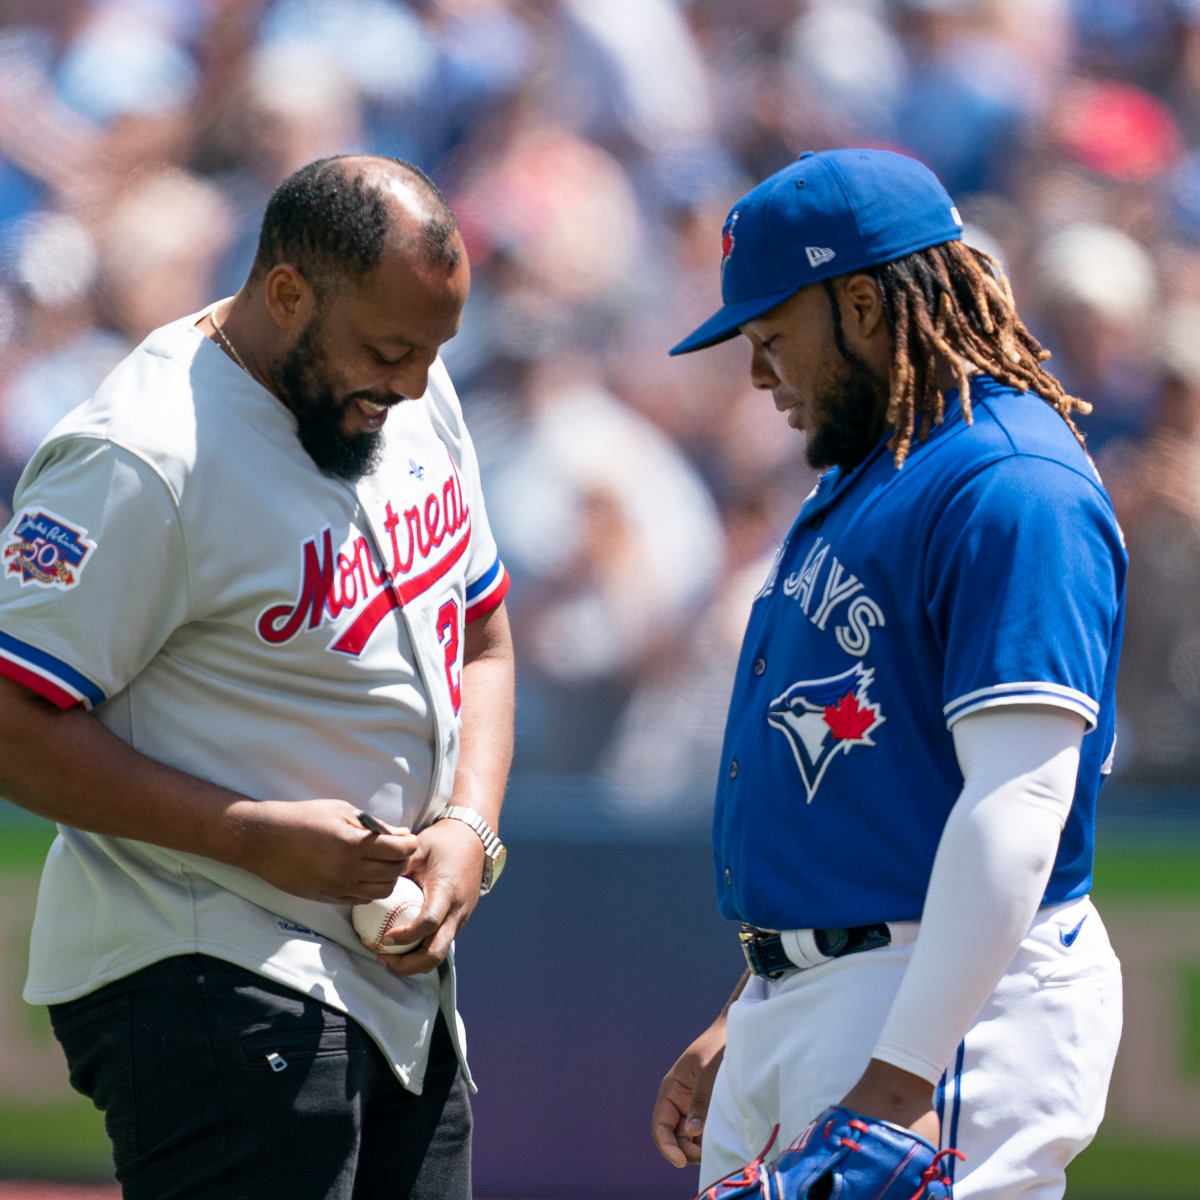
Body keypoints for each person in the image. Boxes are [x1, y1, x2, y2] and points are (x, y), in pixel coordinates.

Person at [0, 155, 513, 1200]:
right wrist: (245, 833)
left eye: (433, 349)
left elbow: (485, 633)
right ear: (287, 294)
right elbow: (11, 721)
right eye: (391, 348)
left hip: (397, 978)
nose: (415, 380)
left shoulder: (405, 386)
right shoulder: (140, 454)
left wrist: (471, 824)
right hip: (209, 963)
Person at [650, 149, 1125, 1199]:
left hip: (941, 1013)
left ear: (862, 302)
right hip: (837, 994)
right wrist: (764, 990)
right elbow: (874, 793)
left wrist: (897, 1082)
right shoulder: (883, 470)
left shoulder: (1012, 485)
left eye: (773, 337)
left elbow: (1022, 798)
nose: (759, 372)